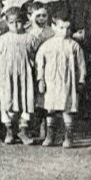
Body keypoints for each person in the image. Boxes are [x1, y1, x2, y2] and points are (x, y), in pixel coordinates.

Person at [35, 12, 87, 148]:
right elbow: (40, 62)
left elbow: (81, 64)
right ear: (53, 27)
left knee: (67, 109)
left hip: (68, 83)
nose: (65, 32)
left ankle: (68, 137)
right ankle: (50, 136)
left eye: (68, 28)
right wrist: (40, 79)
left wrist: (81, 80)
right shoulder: (47, 45)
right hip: (51, 82)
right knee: (50, 108)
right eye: (61, 28)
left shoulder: (74, 45)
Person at [0, 8, 37, 144]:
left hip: (24, 75)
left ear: (24, 22)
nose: (15, 25)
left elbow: (33, 54)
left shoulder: (30, 38)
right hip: (7, 75)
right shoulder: (3, 39)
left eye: (18, 22)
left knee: (25, 99)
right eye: (12, 23)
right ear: (7, 22)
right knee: (9, 99)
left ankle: (23, 130)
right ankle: (9, 130)